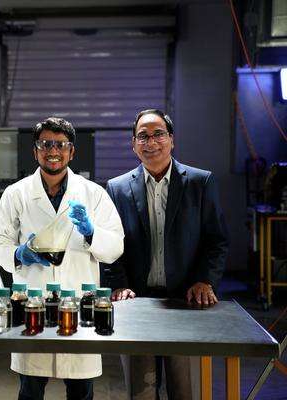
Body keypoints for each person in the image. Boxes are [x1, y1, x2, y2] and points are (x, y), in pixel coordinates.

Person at [0, 117, 124, 400]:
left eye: (61, 145)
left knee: (81, 391)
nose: (53, 151)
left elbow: (115, 247)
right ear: (35, 150)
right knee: (30, 391)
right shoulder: (17, 194)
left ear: (72, 151)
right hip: (32, 303)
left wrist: (91, 232)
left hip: (79, 304)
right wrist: (18, 254)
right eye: (45, 144)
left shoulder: (93, 194)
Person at [104, 109, 229, 400]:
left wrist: (205, 280)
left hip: (186, 302)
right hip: (136, 304)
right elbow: (110, 246)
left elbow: (216, 240)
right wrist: (118, 284)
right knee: (141, 392)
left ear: (171, 140)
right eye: (143, 136)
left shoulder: (200, 182)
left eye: (158, 134)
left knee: (185, 390)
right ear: (134, 144)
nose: (151, 142)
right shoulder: (117, 188)